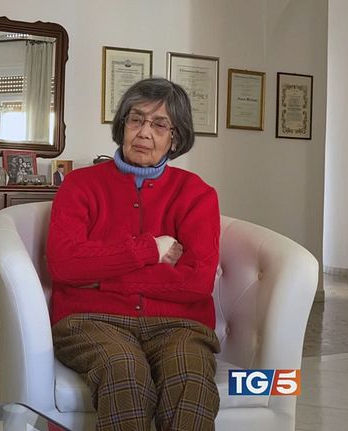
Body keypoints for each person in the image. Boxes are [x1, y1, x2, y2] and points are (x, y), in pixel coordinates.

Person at [46, 78, 220, 431]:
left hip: (179, 326)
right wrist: (150, 249)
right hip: (91, 321)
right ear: (122, 125)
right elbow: (63, 264)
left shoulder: (197, 194)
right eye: (136, 119)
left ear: (176, 137)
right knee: (124, 372)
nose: (144, 132)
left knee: (190, 378)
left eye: (159, 125)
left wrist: (100, 276)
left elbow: (197, 282)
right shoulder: (79, 185)